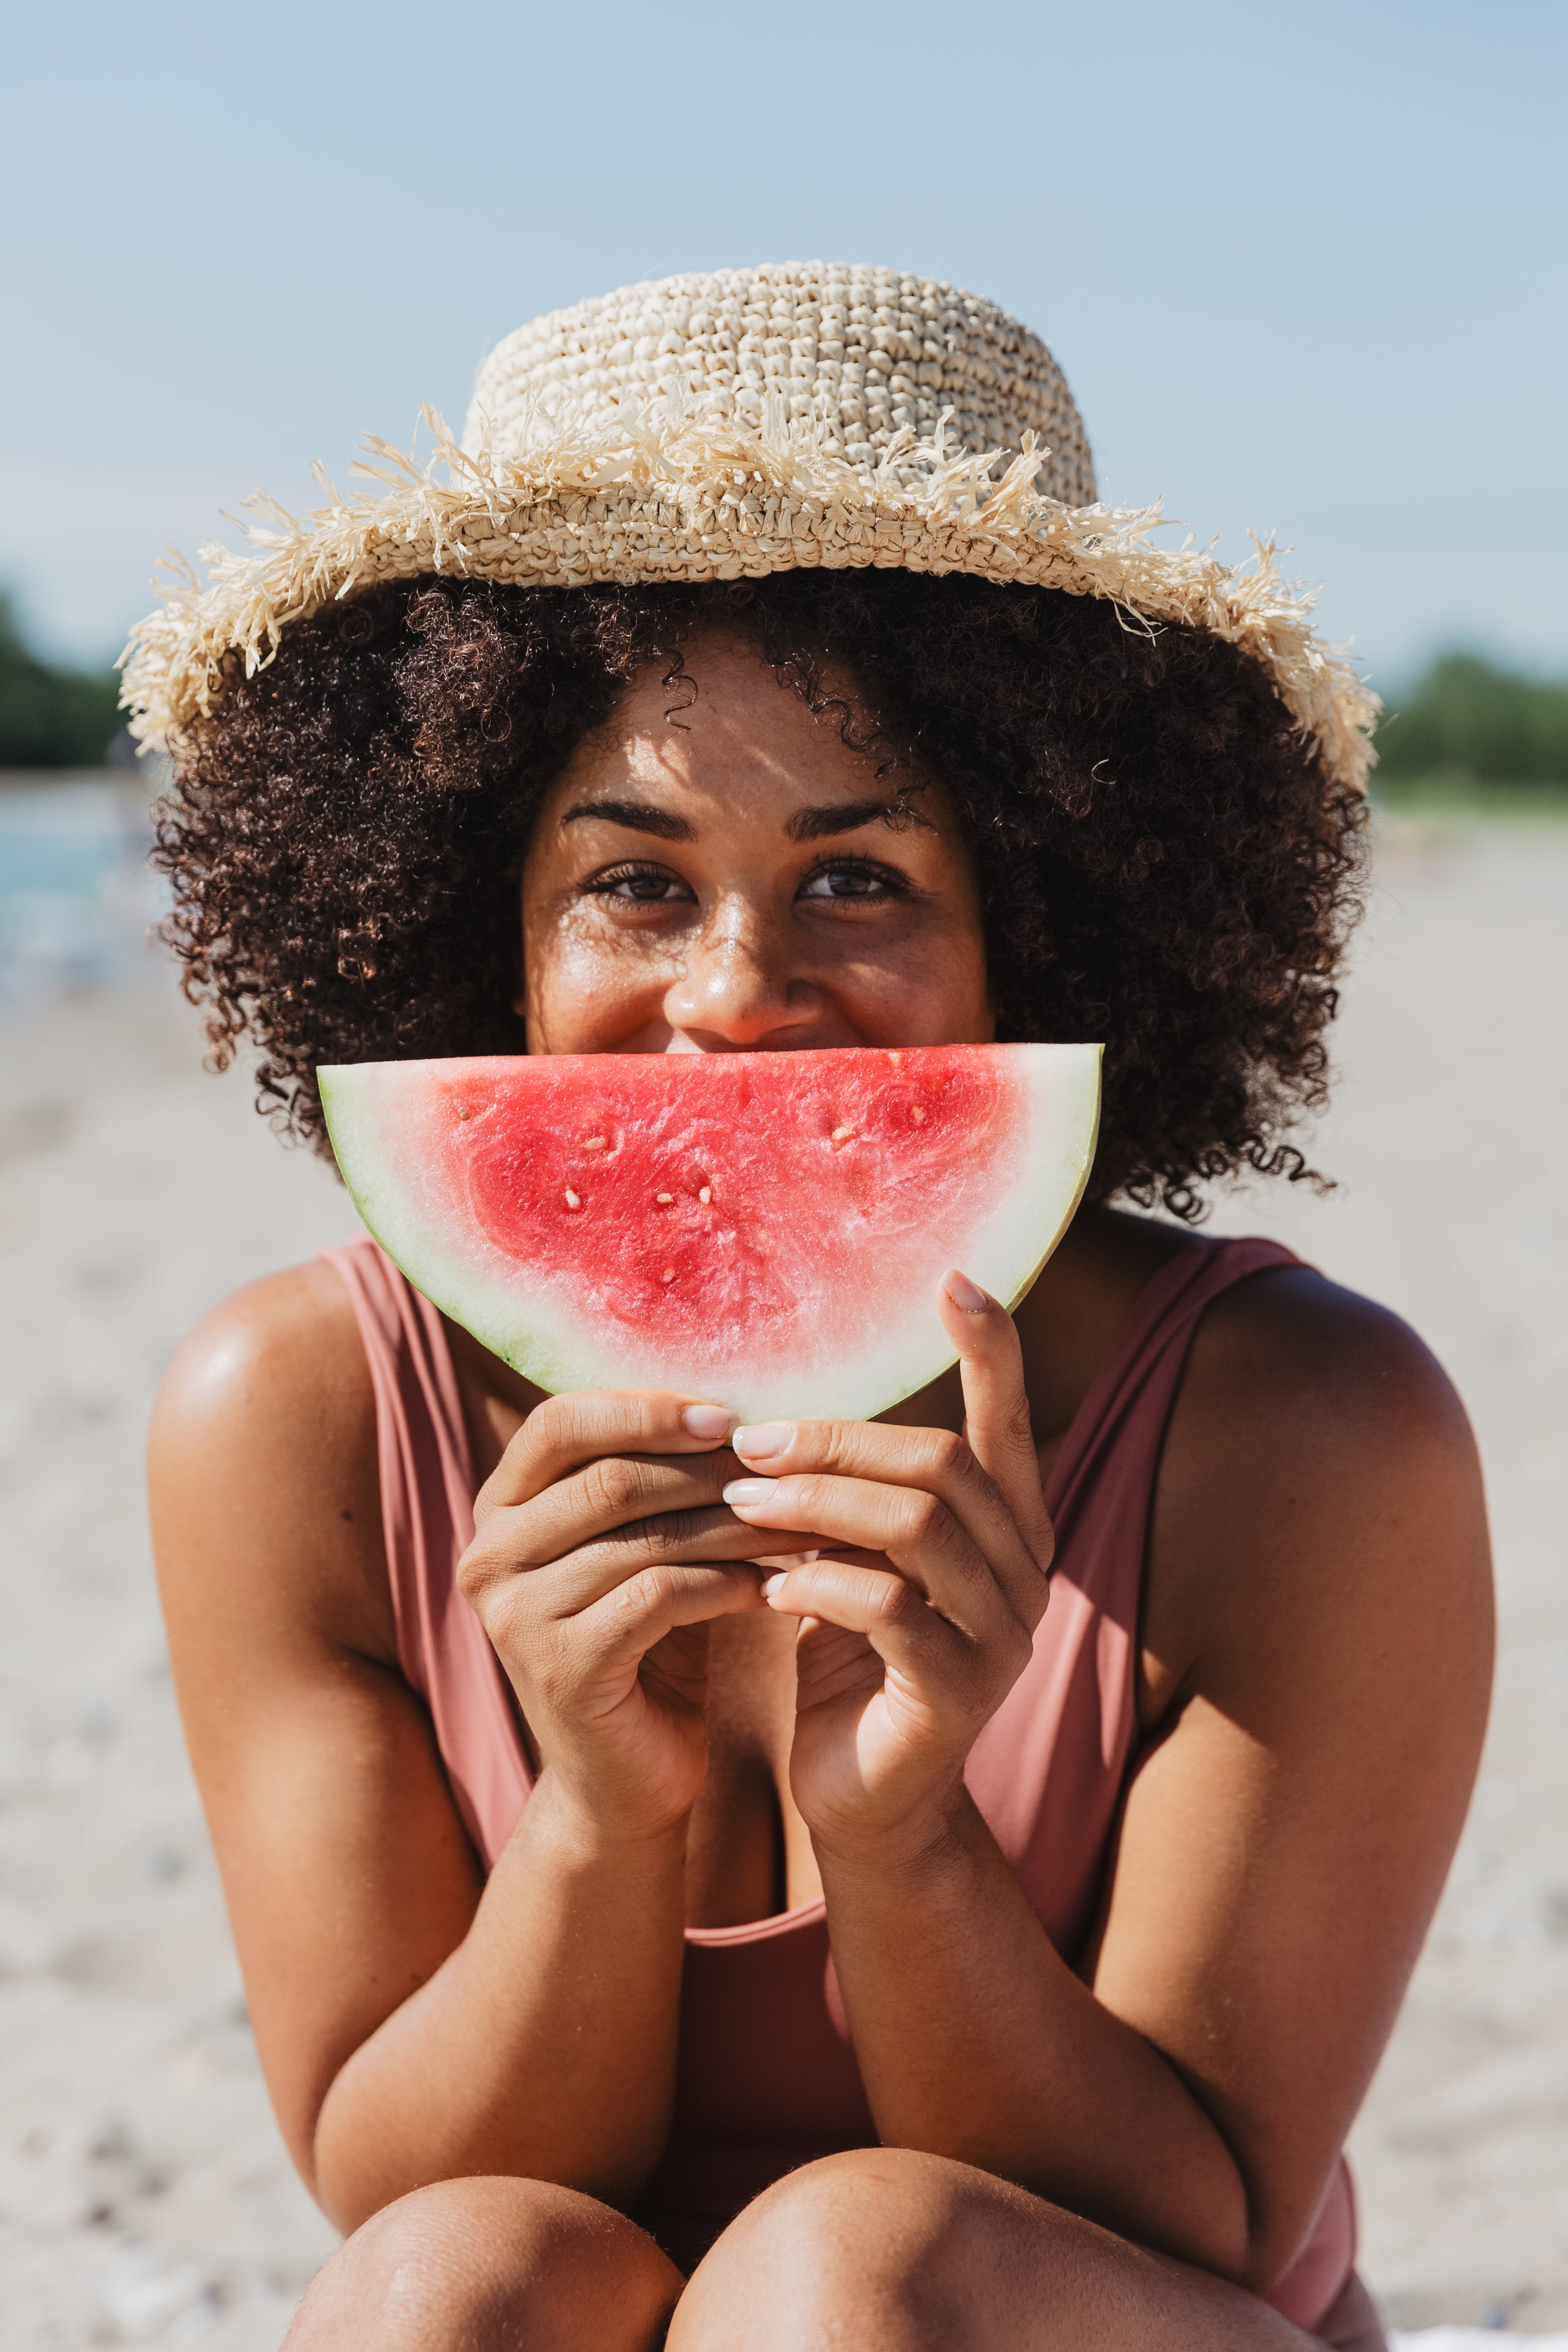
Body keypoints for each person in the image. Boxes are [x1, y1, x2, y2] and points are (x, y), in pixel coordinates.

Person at [133, 264, 1492, 2350]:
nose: (732, 995)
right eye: (634, 878)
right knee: (449, 2282)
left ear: (1042, 927)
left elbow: (1199, 2226)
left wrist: (903, 1832)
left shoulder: (1302, 1426)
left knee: (847, 2270)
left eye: (855, 878)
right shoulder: (296, 1414)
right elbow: (395, 2198)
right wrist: (601, 1814)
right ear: (465, 914)